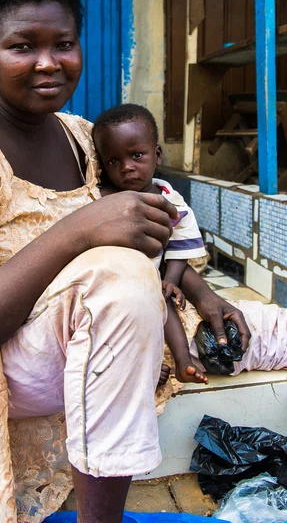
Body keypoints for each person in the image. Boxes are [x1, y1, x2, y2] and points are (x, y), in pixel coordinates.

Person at [0, 0, 250, 523]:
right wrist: (76, 231)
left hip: (94, 335)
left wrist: (203, 294)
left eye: (64, 43)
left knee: (263, 329)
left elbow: (141, 230)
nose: (48, 63)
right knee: (121, 278)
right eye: (21, 47)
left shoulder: (83, 136)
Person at [93, 104, 208, 385]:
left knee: (162, 304)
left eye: (136, 155)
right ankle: (144, 367)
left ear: (156, 154)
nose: (127, 167)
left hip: (149, 281)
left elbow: (181, 247)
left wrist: (170, 281)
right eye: (114, 162)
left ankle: (183, 360)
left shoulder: (172, 201)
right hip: (109, 284)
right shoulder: (100, 199)